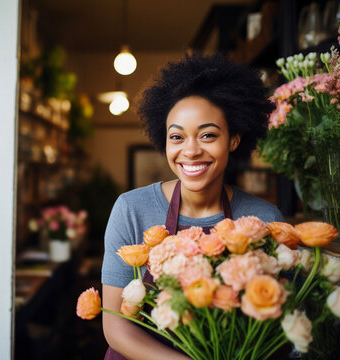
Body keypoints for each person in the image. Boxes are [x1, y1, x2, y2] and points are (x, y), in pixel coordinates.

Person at [100, 53, 285, 359]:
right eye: (177, 137)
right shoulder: (131, 209)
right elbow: (116, 327)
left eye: (208, 135)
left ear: (235, 139)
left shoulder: (262, 219)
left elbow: (271, 330)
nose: (191, 150)